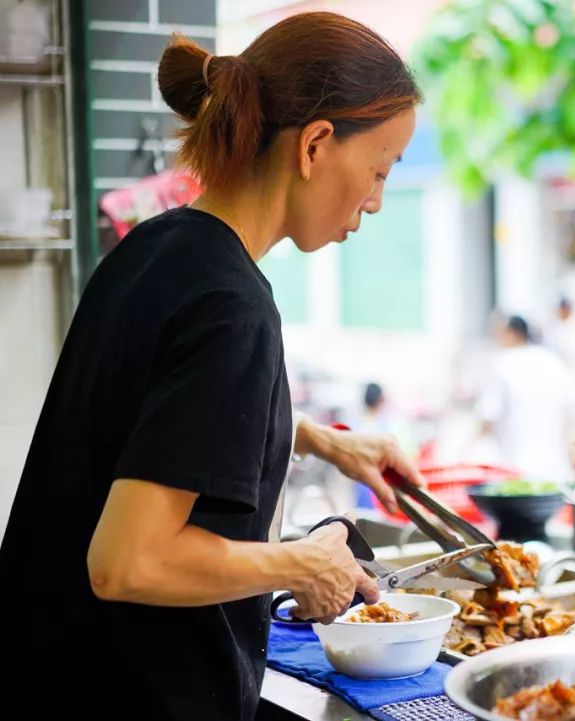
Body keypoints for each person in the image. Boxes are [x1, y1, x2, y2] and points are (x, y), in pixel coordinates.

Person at [0, 13, 425, 720]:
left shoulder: (158, 249)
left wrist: (319, 438)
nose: (377, 200)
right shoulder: (234, 307)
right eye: (379, 170)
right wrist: (302, 561)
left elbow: (157, 418)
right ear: (317, 144)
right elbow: (127, 561)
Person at [477, 314, 574, 481]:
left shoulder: (503, 363)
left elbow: (486, 419)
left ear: (514, 333)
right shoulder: (552, 361)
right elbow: (567, 418)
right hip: (556, 470)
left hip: (515, 471)